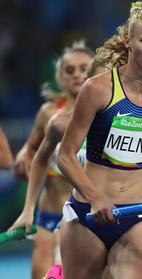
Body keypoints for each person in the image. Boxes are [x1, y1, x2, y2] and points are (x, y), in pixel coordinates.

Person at [56, 1, 142, 278]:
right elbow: (65, 156)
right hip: (87, 215)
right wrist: (95, 198)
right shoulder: (97, 89)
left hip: (138, 215)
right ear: (129, 41)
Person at [8, 41, 93, 279]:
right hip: (49, 213)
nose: (77, 74)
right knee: (41, 274)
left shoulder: (104, 113)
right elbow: (35, 147)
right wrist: (25, 152)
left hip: (85, 215)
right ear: (60, 78)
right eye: (70, 70)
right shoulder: (49, 114)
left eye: (83, 68)